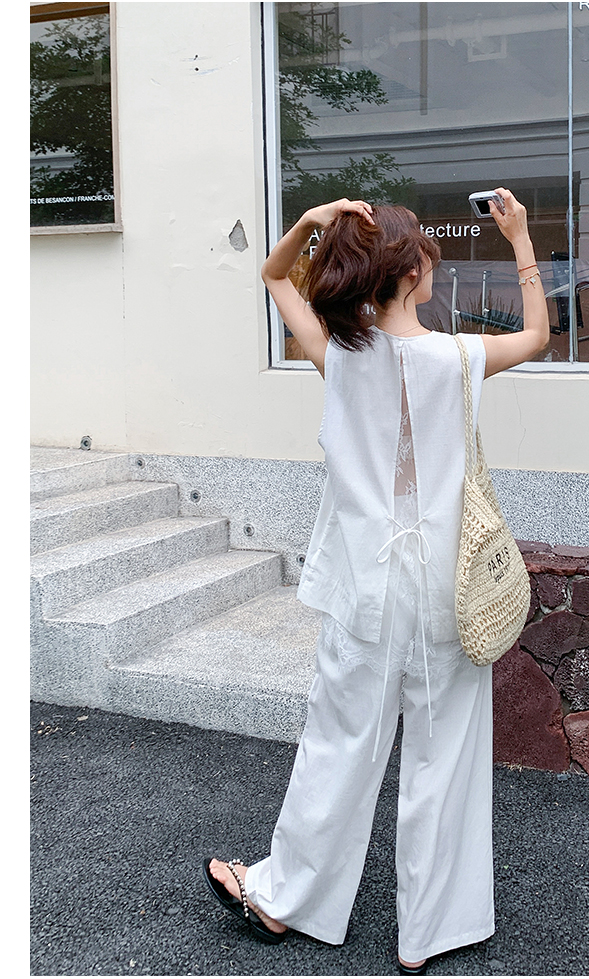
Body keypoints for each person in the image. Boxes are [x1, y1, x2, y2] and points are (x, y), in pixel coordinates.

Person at [203, 187, 549, 974]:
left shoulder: (341, 356)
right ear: (408, 271)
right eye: (422, 245)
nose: (432, 254)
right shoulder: (457, 358)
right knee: (444, 754)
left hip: (367, 584)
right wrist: (521, 239)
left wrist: (310, 223)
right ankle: (432, 932)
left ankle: (285, 899)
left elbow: (275, 276)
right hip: (445, 586)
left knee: (339, 744)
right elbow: (536, 335)